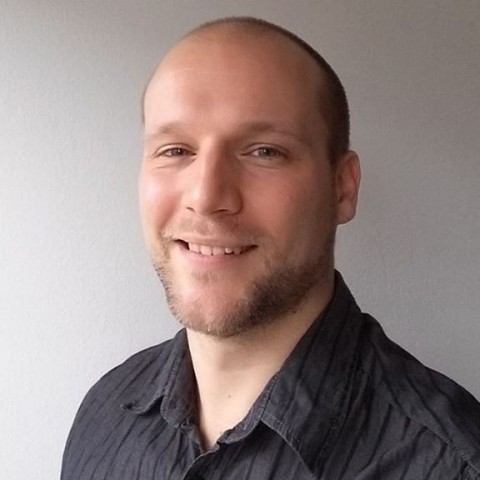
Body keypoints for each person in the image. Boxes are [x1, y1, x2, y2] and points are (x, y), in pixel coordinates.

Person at [61, 17, 480, 480]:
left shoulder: (452, 464)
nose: (206, 196)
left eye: (264, 151)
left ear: (342, 188)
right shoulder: (105, 414)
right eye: (176, 150)